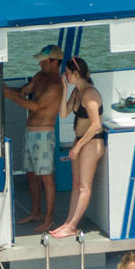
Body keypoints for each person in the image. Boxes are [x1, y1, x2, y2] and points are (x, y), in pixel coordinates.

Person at [1, 44, 66, 232]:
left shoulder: (56, 85)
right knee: (31, 174)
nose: (40, 64)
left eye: (44, 61)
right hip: (30, 132)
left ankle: (49, 218)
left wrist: (7, 94)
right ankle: (36, 212)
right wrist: (7, 89)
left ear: (55, 62)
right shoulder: (39, 77)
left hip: (44, 134)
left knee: (46, 177)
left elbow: (35, 106)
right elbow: (23, 90)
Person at [48, 57, 105, 240]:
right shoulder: (77, 92)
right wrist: (64, 89)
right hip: (80, 141)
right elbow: (63, 113)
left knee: (84, 187)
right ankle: (68, 222)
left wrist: (78, 146)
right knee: (76, 184)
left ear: (76, 73)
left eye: (66, 73)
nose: (65, 75)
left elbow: (96, 125)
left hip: (91, 142)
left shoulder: (89, 94)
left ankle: (72, 226)